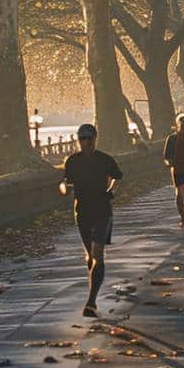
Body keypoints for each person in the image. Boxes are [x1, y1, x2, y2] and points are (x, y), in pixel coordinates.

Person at [60, 123, 122, 318]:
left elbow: (118, 176)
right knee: (90, 256)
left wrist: (111, 190)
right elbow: (65, 181)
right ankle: (93, 282)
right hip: (82, 210)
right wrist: (64, 188)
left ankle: (91, 302)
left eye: (90, 138)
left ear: (95, 139)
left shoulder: (105, 160)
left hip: (102, 209)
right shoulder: (72, 161)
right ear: (79, 141)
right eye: (83, 139)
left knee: (98, 253)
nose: (86, 142)